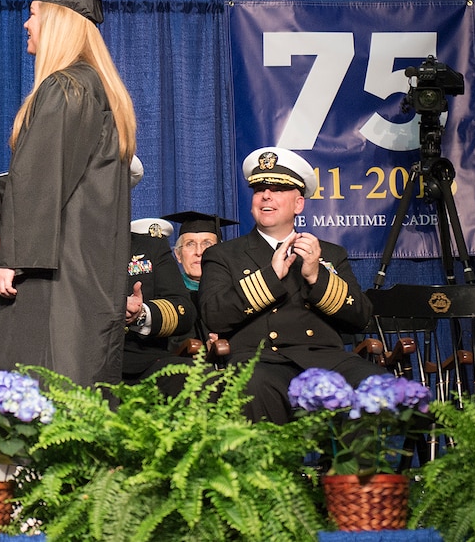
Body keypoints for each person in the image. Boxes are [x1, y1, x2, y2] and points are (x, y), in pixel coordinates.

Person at [0, 0, 137, 387]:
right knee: (84, 384)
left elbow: (39, 183)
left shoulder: (66, 87)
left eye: (34, 13)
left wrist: (11, 259)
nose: (26, 23)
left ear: (58, 20)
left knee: (44, 386)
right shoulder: (98, 88)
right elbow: (51, 172)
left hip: (55, 277)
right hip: (89, 274)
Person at [200, 147, 380, 423]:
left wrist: (316, 276)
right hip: (261, 363)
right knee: (251, 385)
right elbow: (214, 315)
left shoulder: (330, 254)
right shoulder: (224, 255)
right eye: (259, 189)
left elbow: (361, 319)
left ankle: (351, 468)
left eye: (278, 189)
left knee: (373, 383)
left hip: (325, 362)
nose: (266, 196)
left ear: (298, 204)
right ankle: (273, 468)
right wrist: (270, 276)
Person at [123, 217, 195, 394]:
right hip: (77, 362)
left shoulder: (149, 247)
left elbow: (183, 310)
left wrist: (141, 315)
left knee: (190, 377)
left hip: (140, 364)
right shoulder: (66, 247)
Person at [163, 210, 238, 348]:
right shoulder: (168, 297)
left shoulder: (234, 294)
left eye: (207, 244)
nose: (199, 252)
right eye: (190, 244)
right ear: (178, 255)